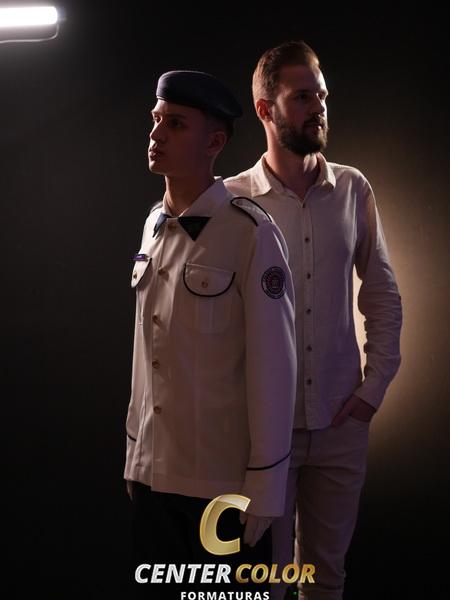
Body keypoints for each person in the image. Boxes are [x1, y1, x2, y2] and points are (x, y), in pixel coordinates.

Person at [225, 41, 403, 600]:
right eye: (302, 97)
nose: (318, 108)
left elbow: (381, 292)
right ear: (266, 109)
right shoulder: (232, 203)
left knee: (326, 580)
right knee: (266, 581)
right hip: (259, 432)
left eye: (321, 96)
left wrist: (375, 386)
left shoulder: (352, 189)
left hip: (339, 423)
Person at [123, 70, 297, 597]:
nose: (156, 133)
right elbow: (146, 352)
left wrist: (267, 483)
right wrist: (134, 453)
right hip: (155, 475)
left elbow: (275, 366)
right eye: (156, 120)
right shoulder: (154, 225)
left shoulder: (250, 233)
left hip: (222, 487)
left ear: (214, 142)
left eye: (175, 124)